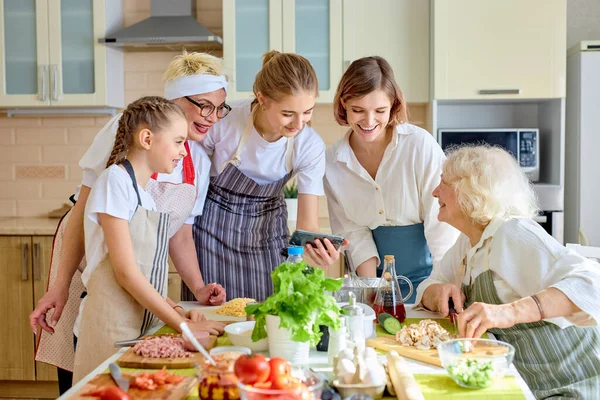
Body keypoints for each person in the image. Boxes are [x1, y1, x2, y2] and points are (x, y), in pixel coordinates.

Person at [30, 52, 228, 394]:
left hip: (136, 287)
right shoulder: (121, 156)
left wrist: (192, 295)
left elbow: (177, 234)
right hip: (90, 266)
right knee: (84, 369)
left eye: (220, 108)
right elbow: (85, 217)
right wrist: (60, 286)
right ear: (175, 99)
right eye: (204, 106)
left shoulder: (193, 158)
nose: (212, 117)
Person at [417, 145, 600, 398]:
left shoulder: (512, 232)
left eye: (443, 182)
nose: (435, 192)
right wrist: (437, 291)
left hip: (573, 381)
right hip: (529, 384)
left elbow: (592, 284)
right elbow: (427, 286)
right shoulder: (467, 242)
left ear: (470, 190)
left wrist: (509, 312)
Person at [71, 96, 226, 382]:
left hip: (137, 325)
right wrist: (182, 326)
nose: (183, 152)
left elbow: (144, 275)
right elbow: (127, 274)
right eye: (178, 141)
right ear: (146, 138)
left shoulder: (145, 196)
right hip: (107, 328)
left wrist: (178, 310)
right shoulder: (114, 182)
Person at [191, 50, 345, 302]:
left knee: (268, 313)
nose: (299, 123)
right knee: (214, 317)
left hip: (266, 235)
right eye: (288, 114)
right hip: (212, 234)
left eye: (308, 111)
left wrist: (317, 251)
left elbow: (307, 225)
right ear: (262, 99)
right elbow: (192, 182)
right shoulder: (225, 121)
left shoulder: (309, 145)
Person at [324, 56, 459, 302]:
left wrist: (443, 286)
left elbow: (443, 226)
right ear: (344, 104)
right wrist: (373, 290)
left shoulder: (419, 146)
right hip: (376, 284)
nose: (369, 121)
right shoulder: (333, 162)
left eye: (380, 111)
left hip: (432, 280)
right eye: (358, 110)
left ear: (394, 104)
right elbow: (353, 233)